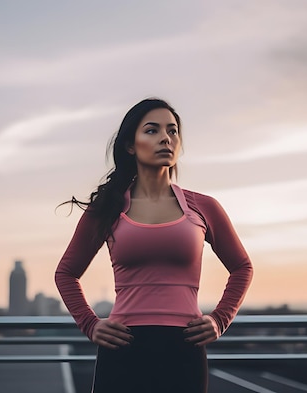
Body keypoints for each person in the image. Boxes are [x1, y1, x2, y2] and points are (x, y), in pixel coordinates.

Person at [54, 97, 253, 393]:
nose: (165, 138)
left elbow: (242, 267)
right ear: (130, 145)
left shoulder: (203, 207)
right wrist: (90, 324)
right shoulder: (108, 208)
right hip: (122, 348)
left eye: (172, 131)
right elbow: (66, 273)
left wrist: (220, 319)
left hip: (183, 350)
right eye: (152, 130)